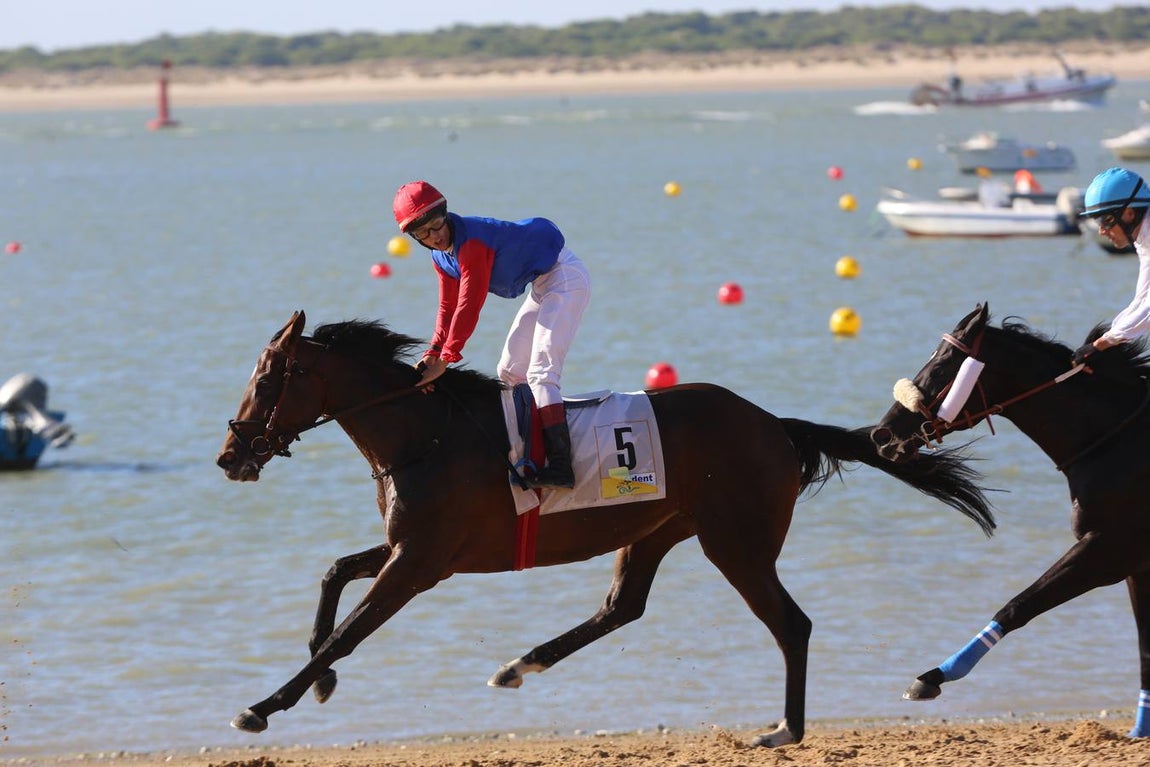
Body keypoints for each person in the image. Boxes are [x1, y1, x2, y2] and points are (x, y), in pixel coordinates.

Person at [392, 180, 591, 489]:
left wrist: (445, 361)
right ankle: (529, 452)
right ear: (415, 238)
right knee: (510, 371)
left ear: (446, 214)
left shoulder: (472, 243)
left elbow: (469, 305)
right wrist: (432, 350)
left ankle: (563, 467)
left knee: (541, 373)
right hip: (541, 287)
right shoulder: (441, 256)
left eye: (437, 225)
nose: (436, 236)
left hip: (564, 277)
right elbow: (447, 307)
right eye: (425, 234)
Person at [1072, 167, 1150, 365]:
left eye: (1105, 220)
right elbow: (1141, 299)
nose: (1101, 231)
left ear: (1129, 214)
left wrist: (1101, 344)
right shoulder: (1143, 239)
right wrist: (1107, 339)